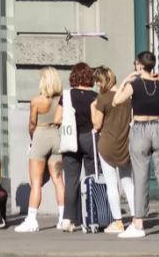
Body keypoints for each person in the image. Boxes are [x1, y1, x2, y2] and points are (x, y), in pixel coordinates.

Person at [113, 52, 159, 238]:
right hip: (157, 126)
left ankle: (138, 223)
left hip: (139, 129)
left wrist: (125, 80)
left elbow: (117, 100)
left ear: (139, 65)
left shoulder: (134, 84)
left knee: (140, 176)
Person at [15, 67, 66, 233]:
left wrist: (33, 139)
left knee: (36, 183)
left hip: (40, 135)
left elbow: (32, 123)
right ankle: (63, 218)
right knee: (58, 181)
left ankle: (31, 220)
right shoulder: (61, 99)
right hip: (56, 136)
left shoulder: (36, 100)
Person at [90, 66, 134, 234]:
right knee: (127, 182)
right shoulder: (126, 98)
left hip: (107, 144)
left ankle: (118, 222)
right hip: (124, 142)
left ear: (101, 82)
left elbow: (97, 124)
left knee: (111, 183)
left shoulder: (103, 99)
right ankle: (136, 218)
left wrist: (93, 107)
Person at [59, 62, 99, 233]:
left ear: (73, 76)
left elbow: (57, 118)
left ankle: (69, 219)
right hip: (90, 138)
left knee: (71, 181)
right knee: (92, 178)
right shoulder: (95, 96)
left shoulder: (67, 95)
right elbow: (98, 119)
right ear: (90, 77)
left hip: (71, 138)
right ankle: (91, 217)